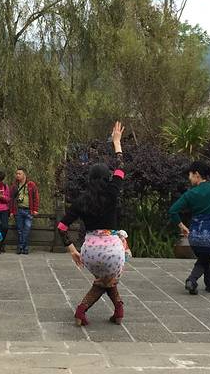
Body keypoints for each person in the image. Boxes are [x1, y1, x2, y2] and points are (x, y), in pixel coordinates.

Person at [57, 121, 127, 326]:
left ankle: (117, 310)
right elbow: (121, 167)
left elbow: (62, 227)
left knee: (104, 279)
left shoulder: (81, 200)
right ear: (107, 178)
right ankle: (84, 309)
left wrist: (72, 250)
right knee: (108, 277)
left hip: (90, 253)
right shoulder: (113, 192)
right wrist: (117, 142)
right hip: (113, 251)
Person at [169, 139, 210, 295]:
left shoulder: (190, 194)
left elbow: (172, 211)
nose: (189, 178)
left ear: (196, 175)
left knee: (204, 258)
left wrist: (182, 226)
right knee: (206, 258)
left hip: (195, 237)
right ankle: (191, 280)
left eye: (190, 175)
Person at [10, 167, 40, 255]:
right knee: (20, 230)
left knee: (27, 229)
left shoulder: (31, 185)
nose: (17, 175)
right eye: (16, 174)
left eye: (19, 174)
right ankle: (23, 247)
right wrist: (11, 211)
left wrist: (35, 209)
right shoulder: (15, 186)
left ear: (24, 175)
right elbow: (12, 199)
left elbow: (36, 197)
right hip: (18, 210)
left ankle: (21, 246)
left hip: (28, 211)